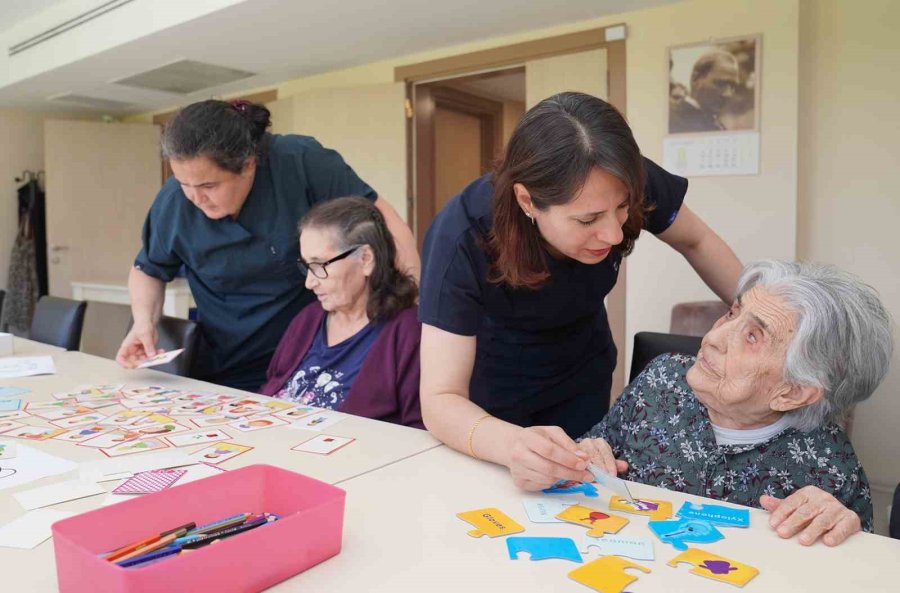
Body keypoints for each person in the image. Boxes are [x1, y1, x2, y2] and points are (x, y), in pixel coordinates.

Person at [418, 92, 742, 487]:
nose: (613, 232)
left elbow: (697, 241)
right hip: (493, 395)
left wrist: (762, 316)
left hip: (583, 368)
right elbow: (440, 399)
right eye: (587, 220)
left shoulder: (617, 176)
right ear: (527, 201)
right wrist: (511, 445)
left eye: (622, 208)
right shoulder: (462, 237)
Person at [578, 260, 893, 547]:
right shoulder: (662, 380)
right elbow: (592, 449)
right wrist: (581, 455)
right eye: (732, 313)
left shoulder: (830, 469)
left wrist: (839, 530)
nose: (714, 337)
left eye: (753, 337)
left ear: (792, 392)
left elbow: (859, 570)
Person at [116, 100, 419, 390]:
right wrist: (143, 322)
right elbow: (148, 269)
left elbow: (386, 224)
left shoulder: (301, 162)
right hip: (225, 364)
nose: (196, 198)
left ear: (248, 165)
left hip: (310, 358)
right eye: (184, 184)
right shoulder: (173, 203)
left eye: (209, 186)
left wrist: (411, 311)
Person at [259, 197, 423, 428]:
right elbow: (271, 387)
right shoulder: (309, 318)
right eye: (306, 266)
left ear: (366, 259)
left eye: (319, 265)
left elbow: (418, 430)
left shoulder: (408, 331)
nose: (309, 282)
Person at [669, 50, 740, 134]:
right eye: (721, 84)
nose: (728, 94)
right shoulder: (670, 119)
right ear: (695, 78)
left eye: (732, 87)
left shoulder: (719, 127)